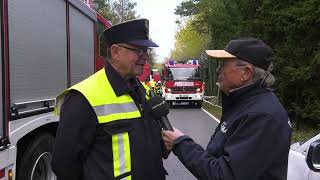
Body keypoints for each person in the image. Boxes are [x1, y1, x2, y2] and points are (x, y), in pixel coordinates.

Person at [52, 19, 167, 180]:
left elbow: (146, 143)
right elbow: (64, 164)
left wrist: (164, 145)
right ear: (115, 52)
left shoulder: (146, 92)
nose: (145, 57)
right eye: (138, 51)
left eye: (146, 51)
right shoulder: (82, 98)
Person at [162, 37, 292, 180]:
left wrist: (181, 143)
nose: (218, 70)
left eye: (223, 65)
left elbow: (224, 175)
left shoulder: (261, 116)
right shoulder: (244, 104)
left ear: (246, 73)